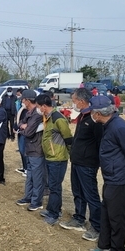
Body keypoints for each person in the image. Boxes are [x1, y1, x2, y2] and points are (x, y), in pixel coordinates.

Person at [87, 95, 125, 251]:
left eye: (92, 112)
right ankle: (104, 245)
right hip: (111, 176)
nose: (91, 115)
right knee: (107, 212)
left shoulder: (119, 128)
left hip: (120, 178)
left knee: (117, 216)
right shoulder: (108, 125)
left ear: (98, 113)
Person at [59, 88, 103, 240]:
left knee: (91, 194)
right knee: (78, 192)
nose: (73, 104)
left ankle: (97, 227)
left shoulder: (94, 119)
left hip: (88, 163)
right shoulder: (83, 116)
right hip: (77, 161)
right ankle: (79, 218)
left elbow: (99, 142)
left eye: (74, 100)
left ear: (82, 101)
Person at [35, 94, 73, 225]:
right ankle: (53, 208)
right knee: (53, 185)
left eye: (39, 107)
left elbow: (68, 137)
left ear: (44, 106)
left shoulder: (58, 119)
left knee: (54, 186)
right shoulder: (48, 117)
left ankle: (54, 215)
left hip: (58, 157)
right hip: (51, 156)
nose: (38, 109)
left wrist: (70, 153)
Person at [15, 89, 46, 210]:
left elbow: (28, 132)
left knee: (37, 176)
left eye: (23, 99)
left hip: (36, 149)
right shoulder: (29, 113)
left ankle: (37, 201)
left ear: (27, 101)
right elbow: (20, 124)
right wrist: (23, 127)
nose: (22, 101)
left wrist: (24, 128)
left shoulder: (37, 114)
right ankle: (28, 197)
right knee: (30, 175)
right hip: (29, 148)